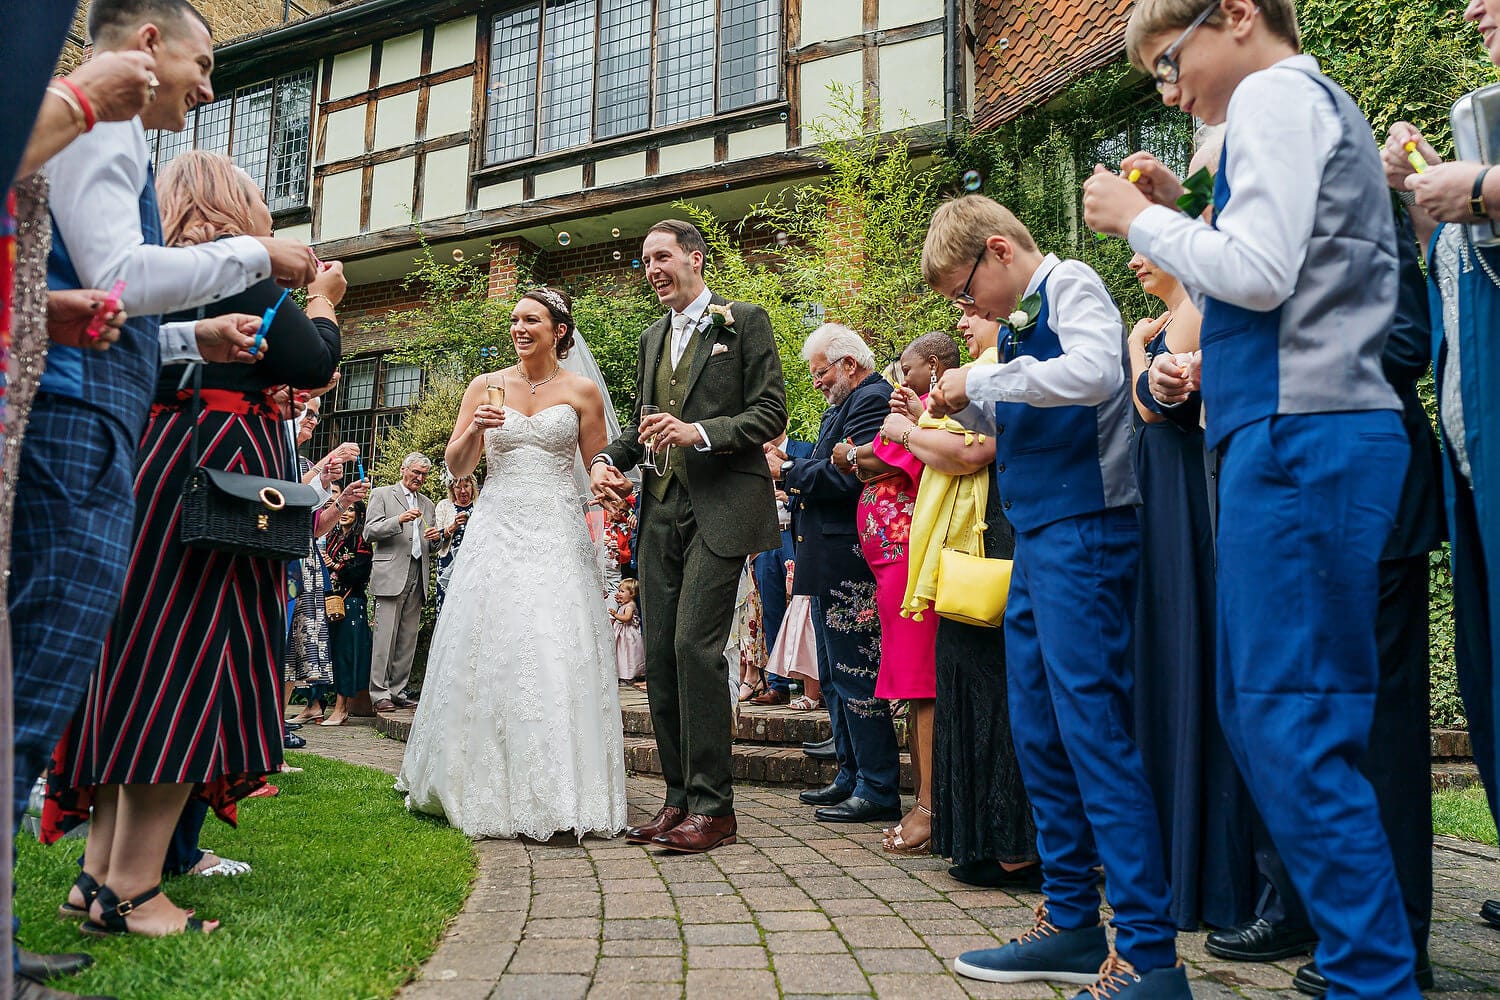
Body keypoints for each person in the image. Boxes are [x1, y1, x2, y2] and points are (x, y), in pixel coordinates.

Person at [1083, 1, 1418, 995]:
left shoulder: (1274, 92)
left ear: (1236, 13)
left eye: (1169, 62)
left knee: (1289, 718)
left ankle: (1372, 979)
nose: (1171, 89)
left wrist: (1142, 220)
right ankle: (1366, 966)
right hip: (1305, 430)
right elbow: (1287, 259)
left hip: (1300, 432)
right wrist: (1189, 211)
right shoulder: (1298, 102)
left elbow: (1264, 276)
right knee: (1282, 713)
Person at [41, 148, 342, 939]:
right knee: (193, 662)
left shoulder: (151, 269)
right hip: (217, 481)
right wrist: (321, 299)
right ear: (232, 206)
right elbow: (311, 363)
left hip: (150, 467)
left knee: (139, 661)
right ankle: (138, 891)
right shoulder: (230, 271)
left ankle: (99, 877)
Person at [922, 195, 1177, 997]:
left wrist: (986, 374)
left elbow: (1099, 373)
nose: (968, 310)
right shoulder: (1022, 319)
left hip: (1088, 529)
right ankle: (1069, 923)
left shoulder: (1072, 285)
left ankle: (1149, 958)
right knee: (1038, 729)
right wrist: (971, 397)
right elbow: (1034, 399)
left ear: (998, 252)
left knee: (1094, 731)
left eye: (966, 292)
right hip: (1038, 537)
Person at [396, 287, 626, 840]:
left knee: (554, 644)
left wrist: (602, 477)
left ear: (559, 331)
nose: (520, 329)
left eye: (532, 320)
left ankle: (563, 792)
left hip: (556, 530)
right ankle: (478, 781)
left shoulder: (582, 391)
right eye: (515, 320)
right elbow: (457, 464)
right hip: (497, 528)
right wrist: (475, 426)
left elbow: (599, 456)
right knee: (489, 642)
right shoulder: (486, 385)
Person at [590, 220, 786, 855]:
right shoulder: (652, 338)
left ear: (696, 260)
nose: (652, 268)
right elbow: (645, 423)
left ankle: (715, 807)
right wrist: (606, 460)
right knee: (663, 655)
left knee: (695, 647)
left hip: (721, 506)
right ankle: (677, 800)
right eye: (645, 259)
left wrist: (697, 433)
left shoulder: (743, 321)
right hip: (660, 509)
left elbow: (771, 413)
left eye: (662, 256)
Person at [1383, 0, 1500, 938]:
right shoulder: (1478, 126)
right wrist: (1422, 204)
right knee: (1485, 666)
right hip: (1470, 462)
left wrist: (1486, 189)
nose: (1474, 7)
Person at [1125, 136, 1257, 931]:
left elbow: (1151, 407)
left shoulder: (1190, 311)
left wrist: (1141, 349)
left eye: (1150, 246)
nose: (1139, 259)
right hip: (1166, 502)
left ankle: (1214, 867)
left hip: (1191, 502)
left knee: (1199, 666)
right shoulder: (1172, 315)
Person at [893, 311, 1039, 890]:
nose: (962, 321)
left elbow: (972, 452)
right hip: (967, 545)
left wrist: (909, 435)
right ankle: (977, 836)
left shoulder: (1001, 370)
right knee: (962, 681)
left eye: (970, 310)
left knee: (996, 688)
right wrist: (923, 426)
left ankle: (1015, 846)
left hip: (994, 533)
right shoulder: (973, 375)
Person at [831, 332, 958, 852]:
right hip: (890, 564)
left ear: (931, 365)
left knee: (919, 683)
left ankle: (929, 806)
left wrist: (856, 452)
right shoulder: (913, 412)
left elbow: (882, 459)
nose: (898, 379)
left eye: (905, 368)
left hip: (912, 562)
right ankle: (922, 802)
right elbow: (873, 454)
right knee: (909, 686)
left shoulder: (932, 413)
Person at [775, 324, 900, 826]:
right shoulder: (842, 405)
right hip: (827, 558)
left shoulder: (872, 400)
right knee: (832, 674)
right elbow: (827, 466)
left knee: (857, 674)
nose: (817, 383)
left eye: (821, 373)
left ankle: (878, 786)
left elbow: (854, 477)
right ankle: (851, 773)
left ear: (849, 363)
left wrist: (786, 470)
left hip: (851, 558)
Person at [364, 453, 440, 713]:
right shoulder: (382, 494)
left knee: (408, 637)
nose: (419, 478)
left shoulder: (428, 504)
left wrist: (437, 538)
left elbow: (429, 543)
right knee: (384, 637)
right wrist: (399, 520)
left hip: (418, 573)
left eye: (423, 475)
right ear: (403, 470)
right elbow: (369, 532)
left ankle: (398, 691)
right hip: (390, 573)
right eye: (415, 472)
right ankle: (379, 693)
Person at [750, 431, 813, 706]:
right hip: (766, 537)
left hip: (794, 536)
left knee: (803, 609)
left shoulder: (804, 449)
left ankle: (812, 684)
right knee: (771, 609)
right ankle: (778, 684)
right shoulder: (753, 455)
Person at [324, 498, 373, 727]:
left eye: (351, 509)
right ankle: (318, 706)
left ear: (358, 514)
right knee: (329, 654)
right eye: (344, 508)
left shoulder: (361, 539)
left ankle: (341, 708)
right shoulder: (331, 537)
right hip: (329, 602)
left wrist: (335, 566)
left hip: (350, 603)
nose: (345, 513)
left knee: (345, 654)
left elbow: (361, 573)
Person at [433, 472, 478, 617]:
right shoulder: (444, 506)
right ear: (452, 489)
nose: (463, 491)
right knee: (448, 607)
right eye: (458, 487)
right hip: (448, 562)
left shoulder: (481, 505)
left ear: (473, 487)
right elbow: (435, 539)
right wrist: (453, 527)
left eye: (466, 486)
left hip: (475, 564)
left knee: (472, 605)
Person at [611, 578, 645, 685]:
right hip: (622, 633)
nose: (619, 593)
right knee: (621, 654)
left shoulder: (630, 606)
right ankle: (622, 674)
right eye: (619, 591)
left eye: (622, 591)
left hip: (627, 635)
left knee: (627, 654)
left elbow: (627, 618)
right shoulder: (627, 604)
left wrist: (615, 615)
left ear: (632, 594)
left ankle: (628, 675)